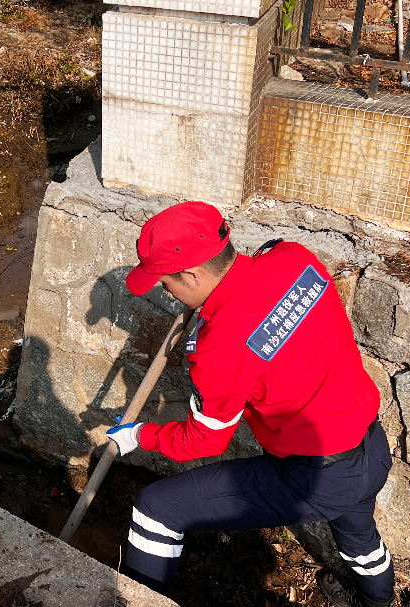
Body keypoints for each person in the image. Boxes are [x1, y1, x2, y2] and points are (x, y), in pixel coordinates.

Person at [106, 201, 394, 607]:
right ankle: (378, 602)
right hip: (370, 449)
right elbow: (260, 290)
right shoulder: (294, 257)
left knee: (156, 508)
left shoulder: (218, 350)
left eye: (165, 283)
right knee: (360, 539)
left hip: (312, 478)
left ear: (192, 273)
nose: (165, 292)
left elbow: (204, 441)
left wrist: (141, 435)